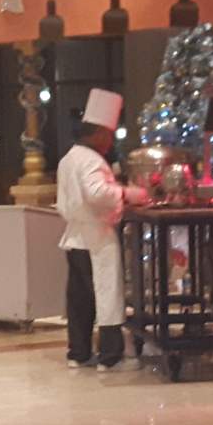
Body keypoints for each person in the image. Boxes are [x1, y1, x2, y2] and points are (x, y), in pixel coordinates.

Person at [58, 88, 148, 369]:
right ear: (97, 133)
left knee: (79, 301)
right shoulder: (91, 160)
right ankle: (110, 357)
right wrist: (129, 194)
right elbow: (96, 193)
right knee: (107, 296)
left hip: (75, 238)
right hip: (97, 237)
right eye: (108, 135)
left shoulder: (70, 157)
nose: (110, 141)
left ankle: (79, 353)